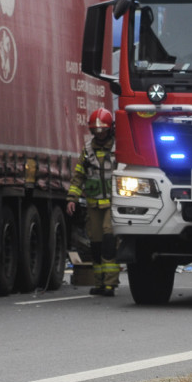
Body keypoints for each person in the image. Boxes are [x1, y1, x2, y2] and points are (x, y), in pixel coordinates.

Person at [67, 108, 120, 296]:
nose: (99, 134)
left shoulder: (118, 149)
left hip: (113, 205)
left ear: (110, 129)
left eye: (103, 130)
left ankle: (110, 284)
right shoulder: (88, 150)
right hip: (93, 204)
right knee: (96, 245)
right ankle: (99, 283)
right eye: (96, 131)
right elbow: (78, 175)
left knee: (108, 241)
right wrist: (72, 198)